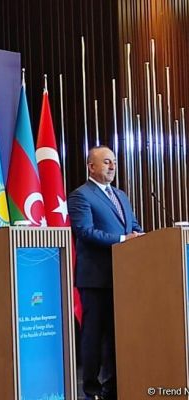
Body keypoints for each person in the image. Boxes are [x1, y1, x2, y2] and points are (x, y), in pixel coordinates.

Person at [68, 145, 143, 400]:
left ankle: (113, 387)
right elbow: (85, 232)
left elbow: (133, 226)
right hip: (96, 279)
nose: (112, 166)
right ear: (91, 167)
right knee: (94, 334)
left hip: (122, 276)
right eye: (107, 162)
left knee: (115, 333)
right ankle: (91, 388)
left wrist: (139, 236)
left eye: (114, 162)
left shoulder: (120, 195)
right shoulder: (81, 196)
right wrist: (123, 239)